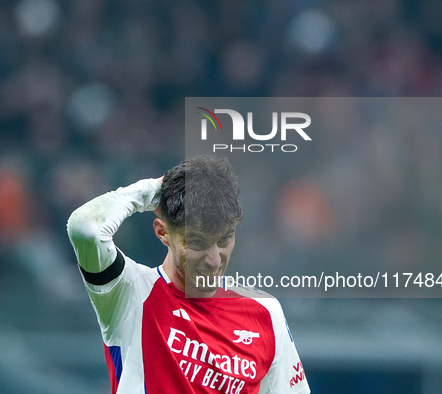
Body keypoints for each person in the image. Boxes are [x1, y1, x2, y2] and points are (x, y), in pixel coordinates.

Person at [67, 155, 310, 393]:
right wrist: (152, 190)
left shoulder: (265, 312)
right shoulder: (130, 293)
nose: (214, 260)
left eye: (224, 239)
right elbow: (86, 227)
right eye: (197, 242)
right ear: (163, 233)